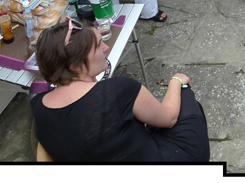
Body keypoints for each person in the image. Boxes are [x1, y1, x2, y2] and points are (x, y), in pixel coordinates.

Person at [31, 18, 209, 162]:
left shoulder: (38, 106)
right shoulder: (117, 90)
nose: (106, 48)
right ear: (76, 65)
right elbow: (169, 118)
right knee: (185, 96)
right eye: (99, 45)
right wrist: (176, 81)